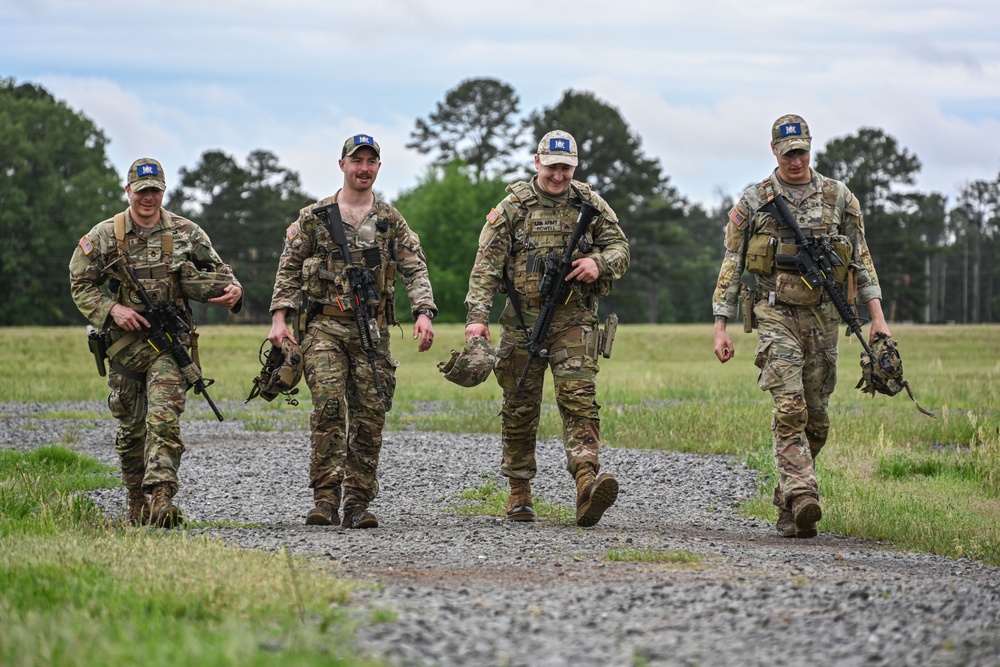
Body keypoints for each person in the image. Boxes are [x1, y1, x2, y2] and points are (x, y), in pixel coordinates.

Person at [712, 114, 890, 538]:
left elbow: (861, 258)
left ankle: (788, 502)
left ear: (811, 149)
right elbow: (732, 265)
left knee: (817, 419)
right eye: (789, 153)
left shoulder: (838, 197)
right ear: (774, 151)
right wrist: (721, 325)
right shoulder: (755, 200)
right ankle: (804, 491)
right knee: (789, 407)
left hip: (825, 316)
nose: (796, 160)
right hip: (775, 314)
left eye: (802, 152)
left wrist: (878, 318)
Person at [268, 134, 437, 529]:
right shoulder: (315, 217)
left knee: (370, 413)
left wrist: (424, 312)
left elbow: (414, 267)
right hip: (324, 326)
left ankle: (358, 502)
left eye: (371, 161)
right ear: (342, 164)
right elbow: (288, 268)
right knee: (329, 407)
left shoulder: (390, 220)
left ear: (378, 167)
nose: (364, 168)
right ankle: (325, 500)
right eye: (356, 160)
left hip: (372, 330)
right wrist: (280, 318)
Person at [465, 129, 630, 527]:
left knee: (579, 399)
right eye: (553, 167)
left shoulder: (589, 203)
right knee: (519, 406)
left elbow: (620, 248)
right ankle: (519, 490)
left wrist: (598, 264)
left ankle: (587, 481)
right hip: (523, 322)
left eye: (566, 168)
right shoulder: (513, 208)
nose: (559, 176)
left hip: (573, 319)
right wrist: (476, 319)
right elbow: (485, 268)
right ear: (537, 163)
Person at [69, 157, 244, 528]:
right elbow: (80, 284)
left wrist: (235, 293)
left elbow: (222, 274)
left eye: (155, 191)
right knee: (131, 429)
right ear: (128, 190)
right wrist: (112, 309)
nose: (149, 198)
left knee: (163, 419)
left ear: (164, 191)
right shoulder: (105, 235)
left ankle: (163, 498)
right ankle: (136, 502)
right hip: (124, 347)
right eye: (142, 190)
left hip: (168, 345)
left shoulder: (187, 232)